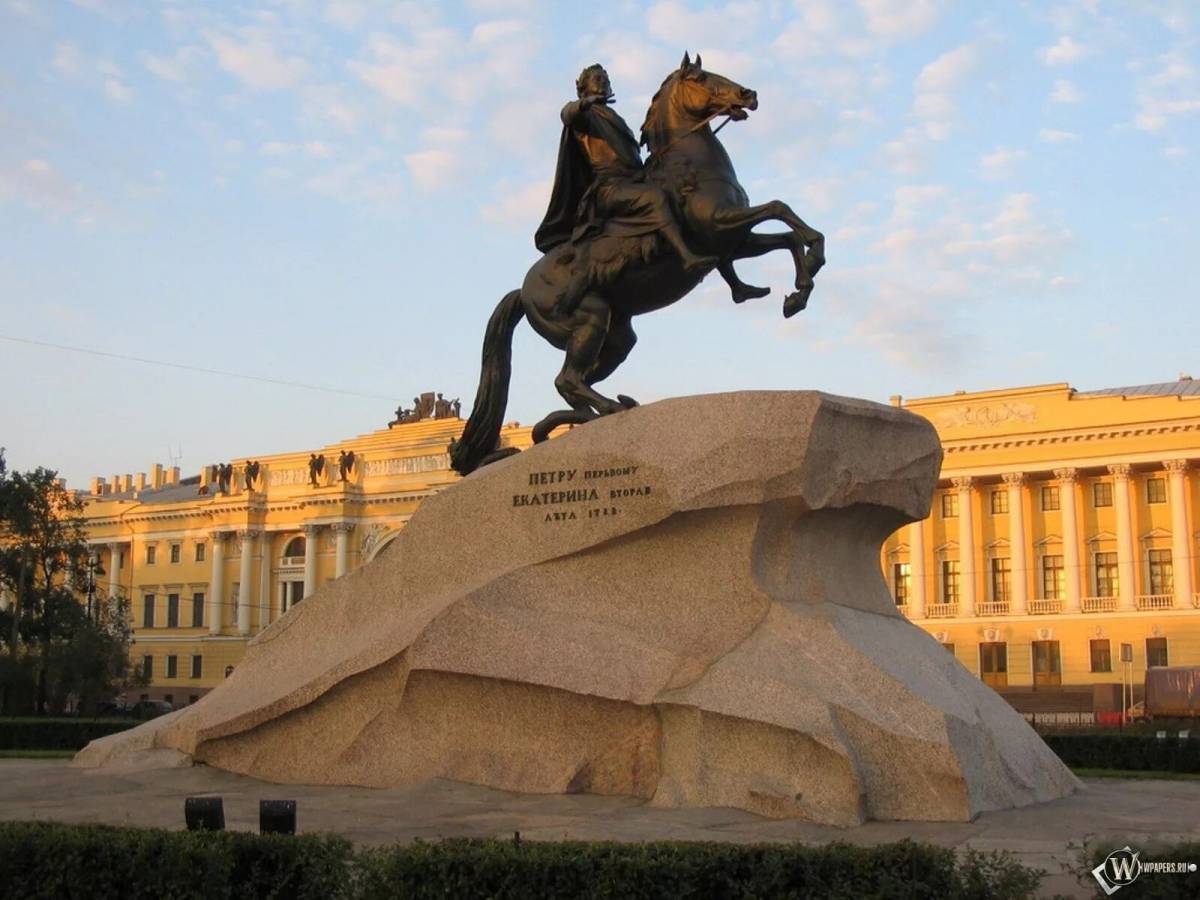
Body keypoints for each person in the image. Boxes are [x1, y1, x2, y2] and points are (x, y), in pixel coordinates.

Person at [535, 64, 716, 316]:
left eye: (606, 79)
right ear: (583, 87)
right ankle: (686, 255)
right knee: (654, 197)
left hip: (631, 181)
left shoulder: (613, 117)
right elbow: (567, 114)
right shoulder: (586, 115)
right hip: (609, 189)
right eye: (597, 78)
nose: (603, 82)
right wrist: (584, 104)